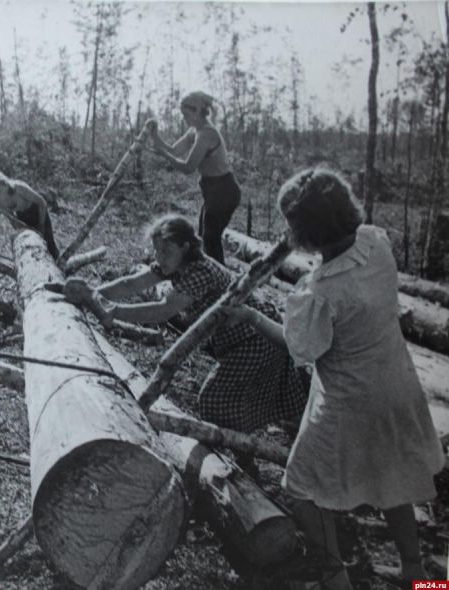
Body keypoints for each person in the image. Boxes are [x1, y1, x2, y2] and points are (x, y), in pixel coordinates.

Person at [226, 169, 445, 589]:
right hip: (397, 385)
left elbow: (300, 348)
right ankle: (417, 575)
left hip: (349, 399)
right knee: (393, 475)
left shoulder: (321, 290)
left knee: (300, 488)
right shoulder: (375, 244)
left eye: (291, 224)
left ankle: (335, 577)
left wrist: (251, 316)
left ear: (308, 231)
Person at [67, 213, 308, 438]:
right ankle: (248, 444)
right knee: (233, 399)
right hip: (236, 339)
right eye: (156, 250)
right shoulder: (173, 265)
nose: (159, 257)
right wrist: (92, 294)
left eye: (166, 251)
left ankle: (244, 447)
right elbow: (130, 284)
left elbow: (163, 310)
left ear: (185, 247)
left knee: (215, 399)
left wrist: (113, 311)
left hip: (256, 337)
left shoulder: (199, 270)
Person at [146, 91, 240, 265]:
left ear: (197, 111)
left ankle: (219, 277)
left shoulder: (207, 134)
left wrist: (164, 155)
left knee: (211, 238)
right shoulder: (194, 131)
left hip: (224, 191)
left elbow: (188, 167)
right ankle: (208, 272)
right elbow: (173, 150)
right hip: (212, 191)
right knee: (204, 236)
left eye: (186, 115)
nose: (184, 119)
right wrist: (154, 134)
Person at [0, 171, 60, 259]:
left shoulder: (19, 188)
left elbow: (42, 203)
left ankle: (59, 262)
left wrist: (41, 225)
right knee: (32, 243)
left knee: (49, 243)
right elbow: (12, 218)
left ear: (6, 185)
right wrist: (21, 229)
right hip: (22, 217)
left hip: (38, 211)